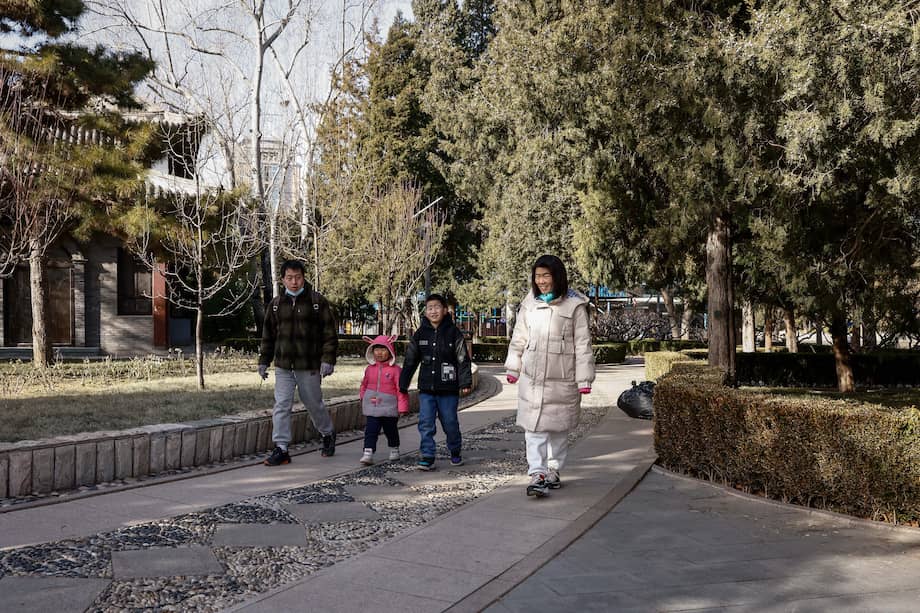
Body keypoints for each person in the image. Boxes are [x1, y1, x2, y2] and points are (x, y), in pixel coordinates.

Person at [504, 255, 595, 497]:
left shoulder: (575, 305)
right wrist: (513, 367)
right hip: (532, 379)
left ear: (557, 276)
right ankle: (537, 472)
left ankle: (553, 469)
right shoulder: (529, 304)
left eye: (546, 275)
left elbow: (583, 345)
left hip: (562, 379)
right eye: (538, 276)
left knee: (558, 429)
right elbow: (519, 337)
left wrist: (584, 379)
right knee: (533, 429)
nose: (541, 281)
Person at [258, 259, 338, 465]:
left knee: (313, 404)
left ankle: (327, 433)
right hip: (284, 366)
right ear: (283, 279)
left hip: (309, 365)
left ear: (304, 278)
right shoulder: (276, 305)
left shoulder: (316, 302)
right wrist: (264, 361)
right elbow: (268, 336)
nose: (294, 282)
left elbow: (329, 334)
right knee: (281, 405)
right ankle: (281, 448)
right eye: (290, 278)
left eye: (298, 277)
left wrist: (327, 360)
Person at [399, 293, 472, 471]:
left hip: (448, 390)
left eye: (437, 307)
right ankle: (428, 455)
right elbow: (410, 360)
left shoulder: (454, 333)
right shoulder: (420, 334)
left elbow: (463, 359)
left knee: (450, 423)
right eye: (429, 308)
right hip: (427, 390)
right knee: (425, 423)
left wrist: (465, 382)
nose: (433, 311)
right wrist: (403, 382)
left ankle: (455, 450)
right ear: (425, 312)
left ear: (445, 310)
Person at [359, 335, 410, 465]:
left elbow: (401, 389)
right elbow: (364, 384)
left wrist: (402, 406)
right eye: (376, 349)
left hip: (389, 407)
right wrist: (363, 397)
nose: (379, 353)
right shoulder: (369, 369)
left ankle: (394, 448)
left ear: (390, 351)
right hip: (372, 406)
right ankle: (368, 452)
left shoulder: (396, 370)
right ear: (372, 351)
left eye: (383, 349)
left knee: (390, 430)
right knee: (371, 430)